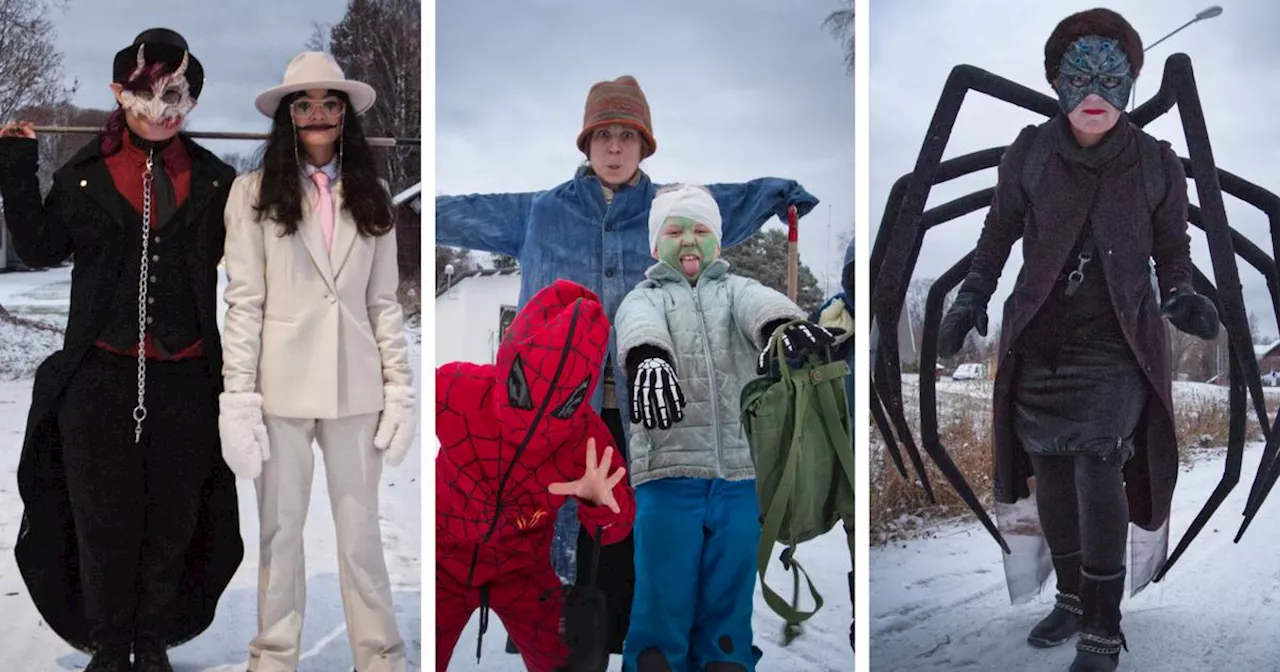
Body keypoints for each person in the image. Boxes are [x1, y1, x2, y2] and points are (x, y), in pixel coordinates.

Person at [437, 74, 819, 654]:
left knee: (635, 555)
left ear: (644, 145)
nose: (615, 147)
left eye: (627, 136)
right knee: (558, 550)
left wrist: (777, 194)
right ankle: (563, 654)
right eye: (603, 135)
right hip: (560, 417)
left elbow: (730, 205)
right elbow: (462, 212)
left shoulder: (669, 214)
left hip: (652, 416)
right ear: (586, 144)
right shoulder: (540, 213)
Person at [936, 9, 1218, 671]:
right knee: (1050, 467)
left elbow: (1173, 252)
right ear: (1057, 81)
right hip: (1040, 337)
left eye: (1111, 75)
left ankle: (1101, 620)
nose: (1095, 91)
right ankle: (1068, 594)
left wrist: (1182, 295)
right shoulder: (1030, 153)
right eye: (1079, 74)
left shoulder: (1155, 164)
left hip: (1116, 341)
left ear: (1129, 83)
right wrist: (971, 297)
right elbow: (995, 238)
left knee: (1097, 461)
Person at [0, 28, 243, 672]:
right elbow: (40, 249)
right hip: (98, 377)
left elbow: (260, 265)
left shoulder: (219, 183)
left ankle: (154, 638)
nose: (162, 107)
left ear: (193, 101)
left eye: (178, 93)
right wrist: (16, 168)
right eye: (146, 91)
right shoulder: (84, 177)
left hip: (187, 379)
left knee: (172, 515)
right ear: (119, 92)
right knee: (100, 516)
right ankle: (109, 642)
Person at [218, 51, 414, 672]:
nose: (319, 114)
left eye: (330, 103)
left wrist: (400, 388)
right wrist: (238, 397)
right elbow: (244, 303)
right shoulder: (251, 194)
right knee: (280, 535)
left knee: (361, 538)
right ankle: (274, 656)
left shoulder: (373, 194)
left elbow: (384, 303)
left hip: (357, 392)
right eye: (304, 104)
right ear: (288, 115)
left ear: (344, 115)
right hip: (279, 392)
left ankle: (379, 656)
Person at [614, 184, 838, 671]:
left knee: (728, 609)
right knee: (661, 606)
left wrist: (782, 326)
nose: (688, 241)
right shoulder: (644, 297)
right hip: (668, 478)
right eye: (674, 231)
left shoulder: (736, 289)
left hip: (741, 479)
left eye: (700, 231)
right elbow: (637, 327)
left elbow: (761, 305)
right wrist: (649, 358)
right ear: (656, 245)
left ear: (718, 242)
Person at [436, 279, 636, 671]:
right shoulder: (457, 388)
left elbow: (616, 529)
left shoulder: (587, 441)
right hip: (444, 561)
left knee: (564, 665)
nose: (533, 420)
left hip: (523, 571)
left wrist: (600, 506)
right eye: (520, 390)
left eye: (562, 406)